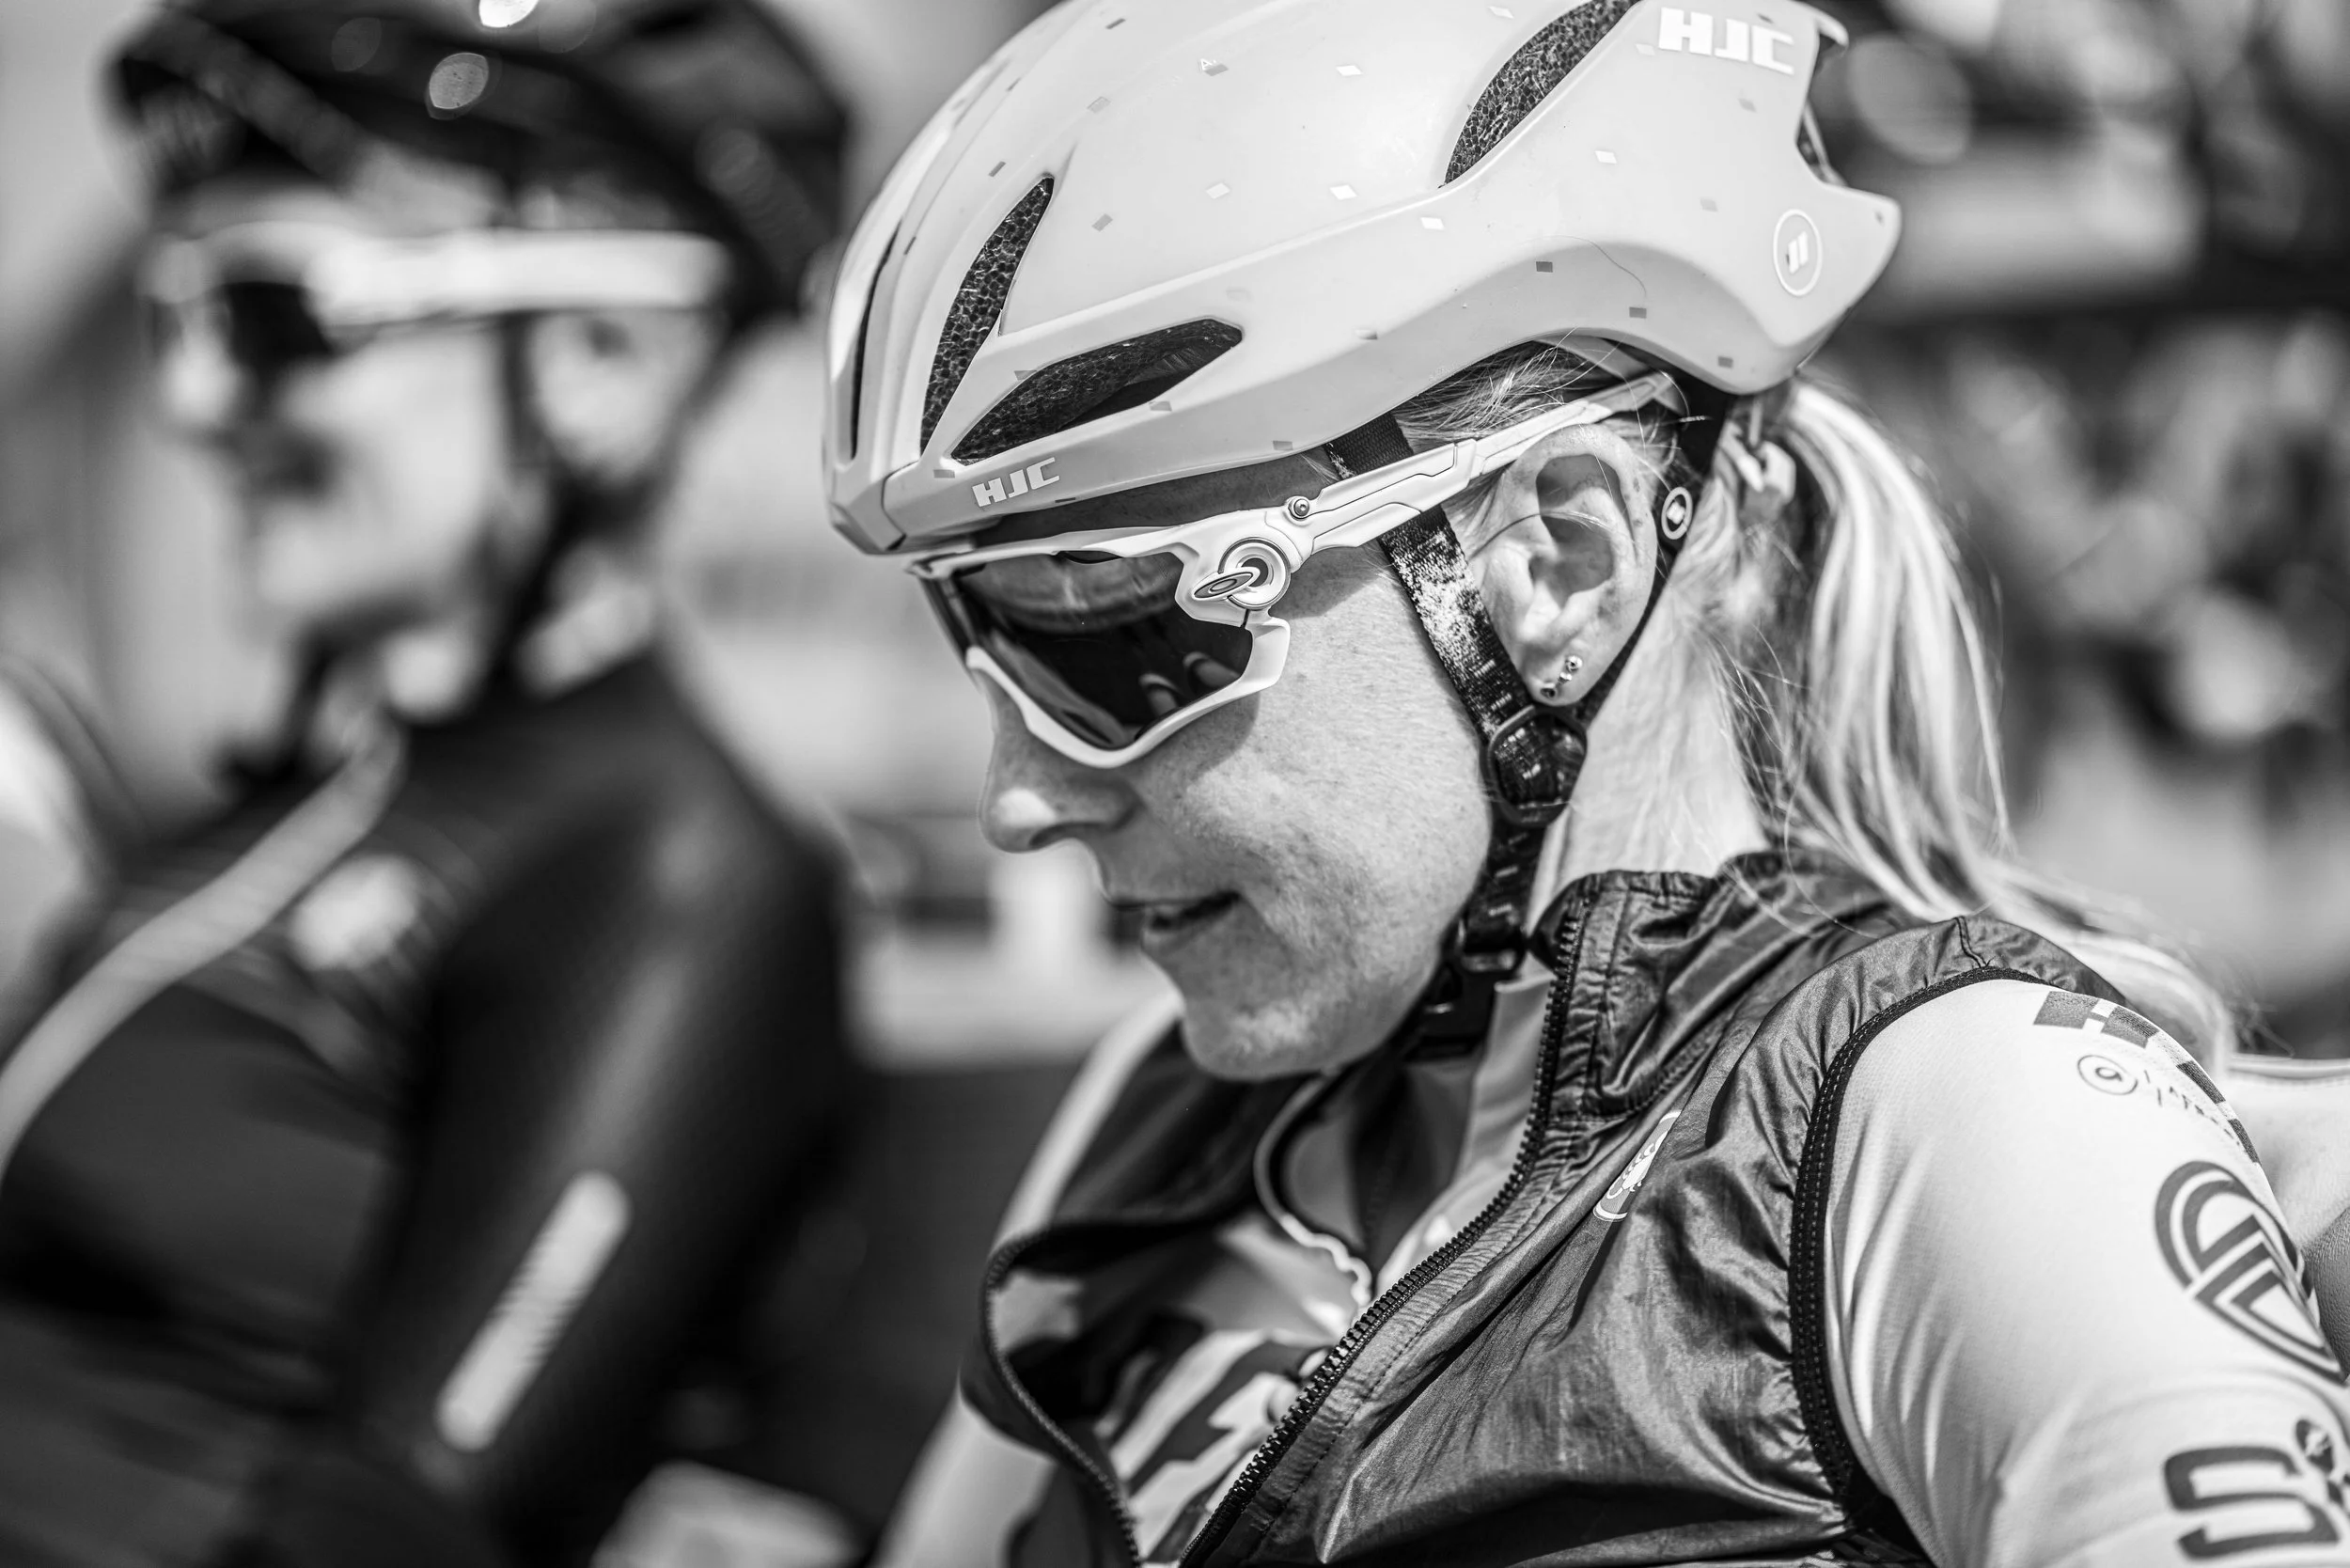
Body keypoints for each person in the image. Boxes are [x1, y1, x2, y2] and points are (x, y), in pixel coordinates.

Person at [827, 1, 2350, 1564]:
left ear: (1557, 558)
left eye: (1110, 635)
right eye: (977, 633)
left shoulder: (1961, 1123)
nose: (1020, 794)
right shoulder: (1162, 1109)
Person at [0, 3, 854, 1564]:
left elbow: (401, 1523)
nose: (197, 404)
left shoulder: (668, 869)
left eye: (277, 315)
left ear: (600, 362)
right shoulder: (302, 798)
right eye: (168, 317)